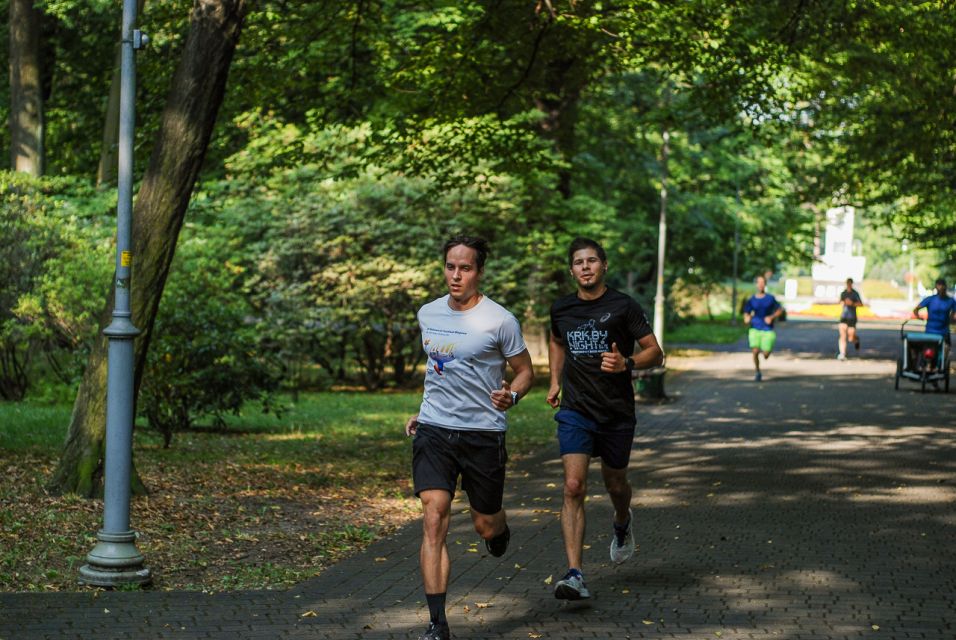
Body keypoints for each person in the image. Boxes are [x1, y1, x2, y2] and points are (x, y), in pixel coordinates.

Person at [404, 235, 534, 640]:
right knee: (433, 516)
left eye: (465, 268)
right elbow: (439, 370)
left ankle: (499, 529)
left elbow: (526, 371)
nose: (455, 275)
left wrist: (512, 394)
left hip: (483, 433)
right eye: (449, 266)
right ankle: (437, 623)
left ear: (479, 272)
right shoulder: (428, 313)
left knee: (484, 525)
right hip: (435, 430)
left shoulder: (500, 320)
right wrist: (422, 412)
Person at [546, 237, 663, 601]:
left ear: (603, 266)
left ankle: (622, 521)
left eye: (592, 261)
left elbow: (655, 353)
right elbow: (556, 341)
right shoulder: (561, 309)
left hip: (616, 413)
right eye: (579, 262)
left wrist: (626, 363)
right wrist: (553, 381)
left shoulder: (623, 306)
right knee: (573, 487)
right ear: (571, 270)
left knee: (615, 485)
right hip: (576, 411)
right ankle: (575, 574)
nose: (585, 267)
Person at [743, 275, 783, 382]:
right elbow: (746, 312)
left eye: (762, 282)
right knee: (755, 351)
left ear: (765, 284)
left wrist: (771, 317)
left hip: (767, 329)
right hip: (755, 327)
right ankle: (757, 371)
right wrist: (746, 318)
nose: (761, 284)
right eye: (759, 282)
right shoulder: (752, 299)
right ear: (756, 284)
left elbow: (780, 309)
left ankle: (767, 352)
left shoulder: (770, 298)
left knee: (765, 354)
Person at [913, 277, 956, 363]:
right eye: (939, 286)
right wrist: (919, 317)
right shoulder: (931, 299)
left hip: (942, 332)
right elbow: (916, 309)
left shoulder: (950, 301)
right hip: (933, 332)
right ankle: (933, 364)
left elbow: (953, 314)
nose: (940, 288)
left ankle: (939, 364)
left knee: (944, 349)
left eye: (941, 286)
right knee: (932, 350)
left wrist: (919, 317)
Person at [837, 278, 864, 360]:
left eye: (850, 283)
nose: (848, 284)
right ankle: (842, 353)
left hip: (852, 317)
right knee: (842, 335)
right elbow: (840, 302)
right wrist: (843, 303)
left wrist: (852, 303)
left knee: (851, 337)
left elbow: (861, 304)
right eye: (847, 283)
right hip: (844, 316)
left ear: (852, 284)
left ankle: (856, 340)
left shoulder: (855, 294)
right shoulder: (843, 293)